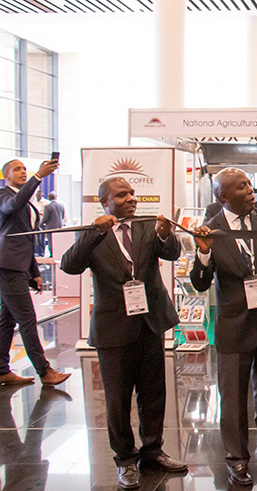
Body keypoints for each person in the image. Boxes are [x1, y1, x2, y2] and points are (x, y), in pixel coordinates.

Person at [61, 177, 187, 489]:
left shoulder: (145, 225)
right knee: (117, 400)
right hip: (113, 328)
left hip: (150, 322)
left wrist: (165, 234)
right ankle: (125, 460)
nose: (131, 198)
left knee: (154, 394)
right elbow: (70, 265)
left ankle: (153, 451)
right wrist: (94, 233)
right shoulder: (92, 233)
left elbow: (172, 253)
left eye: (132, 193)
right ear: (104, 202)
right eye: (122, 195)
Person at [190, 168, 257, 486]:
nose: (251, 190)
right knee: (234, 396)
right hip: (234, 321)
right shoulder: (211, 230)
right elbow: (199, 283)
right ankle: (237, 458)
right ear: (224, 196)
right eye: (242, 187)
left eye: (250, 185)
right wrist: (204, 252)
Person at [0, 159, 70, 387]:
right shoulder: (4, 196)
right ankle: (44, 371)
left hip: (18, 265)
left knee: (7, 320)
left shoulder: (27, 202)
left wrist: (34, 272)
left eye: (24, 169)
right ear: (6, 176)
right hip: (7, 266)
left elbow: (26, 239)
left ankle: (1, 370)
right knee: (27, 319)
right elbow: (12, 206)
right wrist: (38, 176)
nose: (22, 172)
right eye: (17, 169)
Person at [40, 192, 65, 257]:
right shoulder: (61, 205)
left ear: (48, 198)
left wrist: (40, 225)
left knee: (51, 242)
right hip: (59, 226)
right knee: (58, 242)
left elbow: (45, 218)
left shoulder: (47, 207)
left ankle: (52, 255)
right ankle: (58, 254)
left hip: (50, 227)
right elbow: (62, 216)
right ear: (55, 197)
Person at [32, 189, 46, 257]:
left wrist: (41, 213)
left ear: (42, 196)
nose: (38, 197)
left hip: (42, 223)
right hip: (35, 223)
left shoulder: (45, 203)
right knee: (36, 239)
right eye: (37, 196)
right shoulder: (34, 202)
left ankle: (42, 252)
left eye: (39, 196)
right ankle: (37, 252)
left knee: (41, 239)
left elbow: (46, 213)